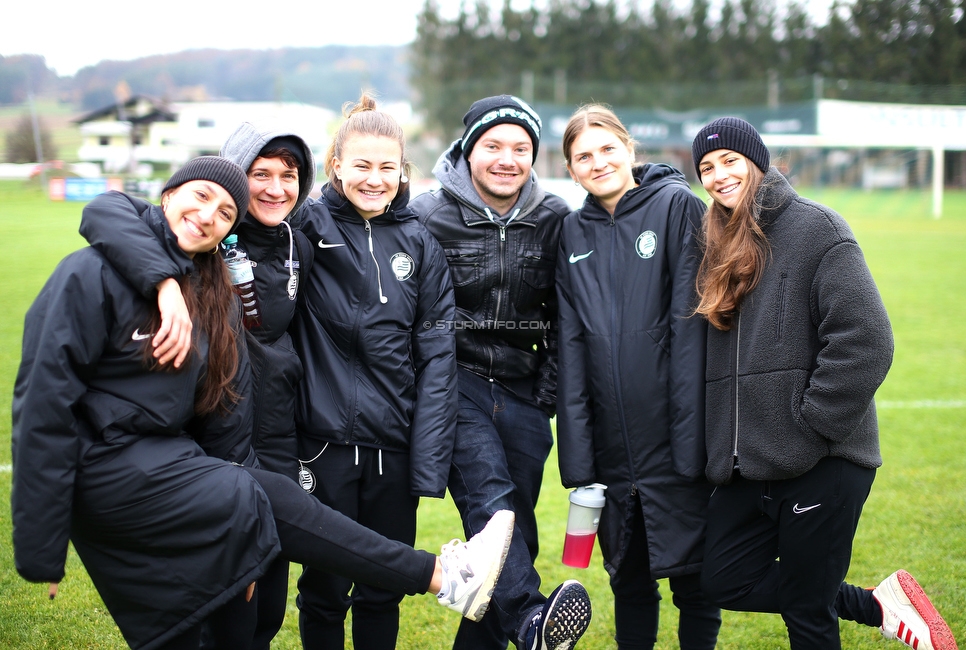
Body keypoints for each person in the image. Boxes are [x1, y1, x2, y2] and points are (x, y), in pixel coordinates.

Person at [12, 156, 515, 650]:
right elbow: (42, 406)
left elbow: (223, 417)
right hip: (107, 466)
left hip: (170, 468)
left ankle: (446, 577)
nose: (209, 215)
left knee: (213, 610)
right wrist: (42, 546)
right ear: (168, 196)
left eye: (227, 212)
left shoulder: (211, 292)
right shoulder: (89, 274)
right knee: (260, 496)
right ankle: (443, 576)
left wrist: (240, 544)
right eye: (201, 196)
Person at [690, 116, 958, 650]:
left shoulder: (817, 228)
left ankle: (863, 606)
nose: (718, 175)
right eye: (705, 167)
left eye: (729, 161)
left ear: (757, 162)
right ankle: (879, 606)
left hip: (822, 458)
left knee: (808, 615)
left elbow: (868, 339)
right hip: (750, 465)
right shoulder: (718, 246)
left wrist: (812, 425)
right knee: (722, 578)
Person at [78, 122, 319, 649]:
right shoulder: (193, 245)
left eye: (289, 175)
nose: (276, 188)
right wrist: (164, 282)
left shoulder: (300, 241)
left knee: (267, 613)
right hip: (209, 453)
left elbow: (371, 202)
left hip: (277, 446)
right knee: (219, 612)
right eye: (259, 174)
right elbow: (105, 209)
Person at [411, 94, 592, 650]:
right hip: (453, 380)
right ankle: (532, 620)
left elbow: (568, 314)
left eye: (521, 148)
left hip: (522, 388)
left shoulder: (556, 217)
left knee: (517, 535)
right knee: (492, 504)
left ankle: (514, 631)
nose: (507, 158)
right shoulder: (425, 214)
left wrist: (546, 394)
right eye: (493, 145)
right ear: (469, 151)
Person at [288, 94, 458, 650]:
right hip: (322, 446)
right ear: (335, 164)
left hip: (393, 447)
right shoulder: (304, 226)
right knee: (325, 587)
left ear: (403, 170)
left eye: (387, 167)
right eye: (361, 164)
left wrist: (426, 461)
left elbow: (437, 357)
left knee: (384, 587)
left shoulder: (420, 243)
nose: (374, 178)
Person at [556, 104, 722, 650]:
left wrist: (689, 443)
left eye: (607, 149)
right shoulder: (572, 230)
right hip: (611, 450)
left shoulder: (675, 207)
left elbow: (689, 328)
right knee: (628, 581)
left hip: (676, 442)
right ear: (571, 169)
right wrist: (579, 461)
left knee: (694, 584)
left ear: (629, 149)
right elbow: (572, 346)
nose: (598, 162)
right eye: (584, 156)